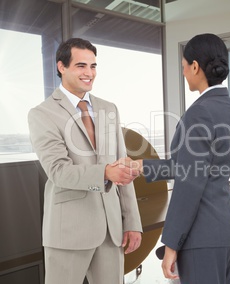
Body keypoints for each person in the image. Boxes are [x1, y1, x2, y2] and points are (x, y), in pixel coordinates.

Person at [126, 33, 230, 283]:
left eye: (183, 67)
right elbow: (195, 166)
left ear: (195, 66)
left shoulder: (199, 112)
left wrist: (171, 244)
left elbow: (189, 184)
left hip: (202, 238)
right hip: (228, 233)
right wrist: (142, 166)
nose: (182, 73)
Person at [28, 38, 143, 284]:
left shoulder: (109, 108)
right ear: (61, 67)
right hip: (68, 231)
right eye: (81, 66)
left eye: (93, 66)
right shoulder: (42, 114)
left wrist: (132, 221)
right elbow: (58, 171)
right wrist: (105, 173)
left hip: (111, 231)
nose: (89, 73)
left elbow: (121, 167)